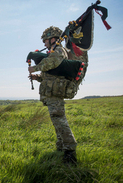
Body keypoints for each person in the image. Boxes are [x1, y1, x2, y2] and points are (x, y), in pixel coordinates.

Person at [28, 26, 88, 165]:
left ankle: (70, 152)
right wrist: (38, 77)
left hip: (55, 93)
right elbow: (49, 75)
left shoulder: (59, 51)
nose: (44, 44)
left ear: (53, 38)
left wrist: (35, 67)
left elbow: (52, 62)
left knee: (59, 120)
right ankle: (61, 146)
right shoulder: (53, 52)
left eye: (46, 40)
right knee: (57, 121)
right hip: (51, 92)